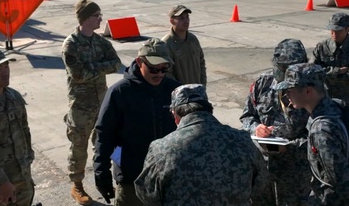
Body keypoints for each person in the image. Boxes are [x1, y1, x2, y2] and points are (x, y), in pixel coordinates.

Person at [134, 84, 269, 206]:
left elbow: (147, 193)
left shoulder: (161, 148)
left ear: (175, 115)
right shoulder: (242, 140)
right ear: (209, 109)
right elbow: (260, 182)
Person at [93, 38, 181, 206]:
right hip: (133, 179)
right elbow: (105, 135)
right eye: (154, 68)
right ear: (140, 62)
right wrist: (101, 173)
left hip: (169, 177)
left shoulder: (175, 90)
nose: (160, 74)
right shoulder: (119, 92)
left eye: (164, 68)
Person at [61, 0, 122, 205]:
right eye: (97, 16)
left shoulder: (101, 42)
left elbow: (116, 64)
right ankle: (76, 186)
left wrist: (94, 68)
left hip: (101, 104)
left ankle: (103, 180)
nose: (101, 19)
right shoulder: (71, 44)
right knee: (78, 148)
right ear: (86, 18)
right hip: (80, 107)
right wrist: (100, 67)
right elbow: (78, 75)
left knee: (104, 145)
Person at [240, 39, 312, 206]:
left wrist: (291, 146)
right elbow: (247, 116)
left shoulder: (312, 89)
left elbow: (318, 132)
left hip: (295, 170)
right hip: (263, 167)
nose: (286, 74)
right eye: (282, 68)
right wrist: (256, 128)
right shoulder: (262, 83)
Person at [273, 63, 349, 206]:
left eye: (290, 90)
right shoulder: (336, 106)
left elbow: (339, 181)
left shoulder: (321, 130)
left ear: (308, 91)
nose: (286, 95)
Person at [0, 48, 35, 206]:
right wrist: (1, 182)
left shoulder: (14, 97)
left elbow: (24, 130)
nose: (5, 72)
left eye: (6, 67)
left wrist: (28, 158)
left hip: (21, 177)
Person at [162, 5, 207, 85]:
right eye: (182, 18)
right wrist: (181, 91)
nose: (186, 21)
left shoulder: (193, 39)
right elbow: (167, 73)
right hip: (181, 94)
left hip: (197, 92)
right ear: (172, 21)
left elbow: (201, 62)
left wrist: (202, 85)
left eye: (187, 17)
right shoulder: (167, 44)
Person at [311, 12, 349, 102]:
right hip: (326, 96)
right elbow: (312, 70)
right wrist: (336, 71)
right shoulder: (322, 47)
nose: (334, 34)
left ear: (347, 29)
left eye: (338, 31)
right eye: (332, 30)